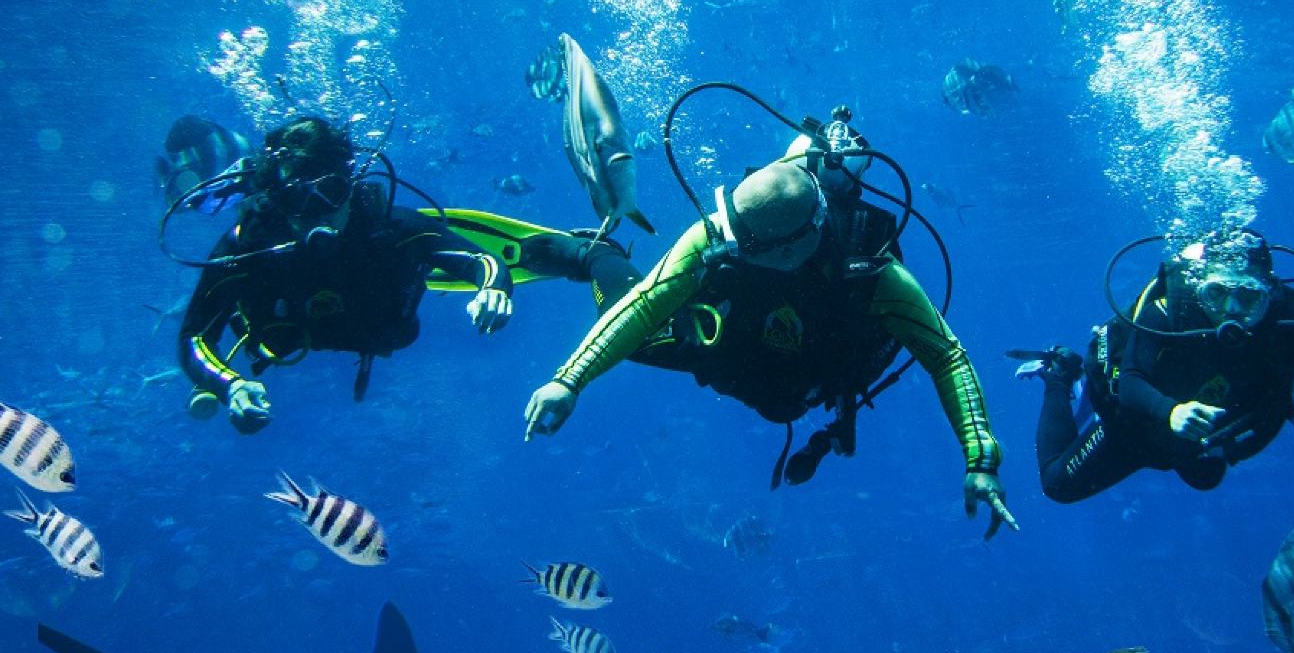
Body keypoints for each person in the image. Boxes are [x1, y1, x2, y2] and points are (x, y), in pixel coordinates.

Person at [523, 143, 1014, 538]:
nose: (729, 247)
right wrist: (569, 381)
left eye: (747, 246)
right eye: (732, 234)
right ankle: (595, 255)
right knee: (622, 316)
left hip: (802, 374)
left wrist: (981, 460)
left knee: (782, 400)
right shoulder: (716, 233)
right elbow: (646, 302)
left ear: (799, 243)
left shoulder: (876, 276)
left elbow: (945, 354)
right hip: (726, 348)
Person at [177, 116, 620, 433]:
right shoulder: (247, 245)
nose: (319, 216)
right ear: (276, 201)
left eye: (329, 193)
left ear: (349, 185)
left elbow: (483, 260)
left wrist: (493, 289)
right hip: (277, 346)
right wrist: (230, 384)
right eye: (299, 201)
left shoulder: (392, 229)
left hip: (380, 329)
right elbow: (196, 336)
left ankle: (575, 255)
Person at [1019, 230, 1294, 504]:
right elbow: (1131, 381)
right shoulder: (1168, 310)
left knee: (1205, 478)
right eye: (1218, 293)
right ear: (1198, 287)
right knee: (1057, 486)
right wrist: (1171, 412)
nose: (1232, 310)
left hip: (1197, 436)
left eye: (1249, 297)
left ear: (1268, 294)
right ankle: (1061, 372)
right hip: (1135, 424)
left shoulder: (1281, 328)